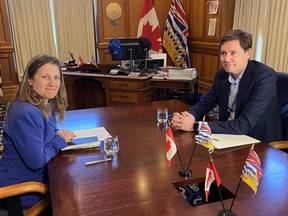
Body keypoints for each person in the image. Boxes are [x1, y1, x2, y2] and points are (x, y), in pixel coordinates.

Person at [171, 29, 282, 143]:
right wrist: (189, 116)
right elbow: (206, 103)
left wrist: (195, 126)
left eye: (233, 53)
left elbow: (244, 125)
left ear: (248, 53)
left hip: (258, 142)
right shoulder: (222, 74)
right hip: (227, 136)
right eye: (223, 53)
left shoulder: (264, 76)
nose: (226, 59)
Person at [0, 54, 76, 209]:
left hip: (37, 178)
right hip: (21, 191)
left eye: (56, 77)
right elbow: (36, 161)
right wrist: (59, 139)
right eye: (45, 77)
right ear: (29, 80)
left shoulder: (43, 104)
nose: (52, 83)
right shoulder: (25, 112)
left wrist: (57, 138)